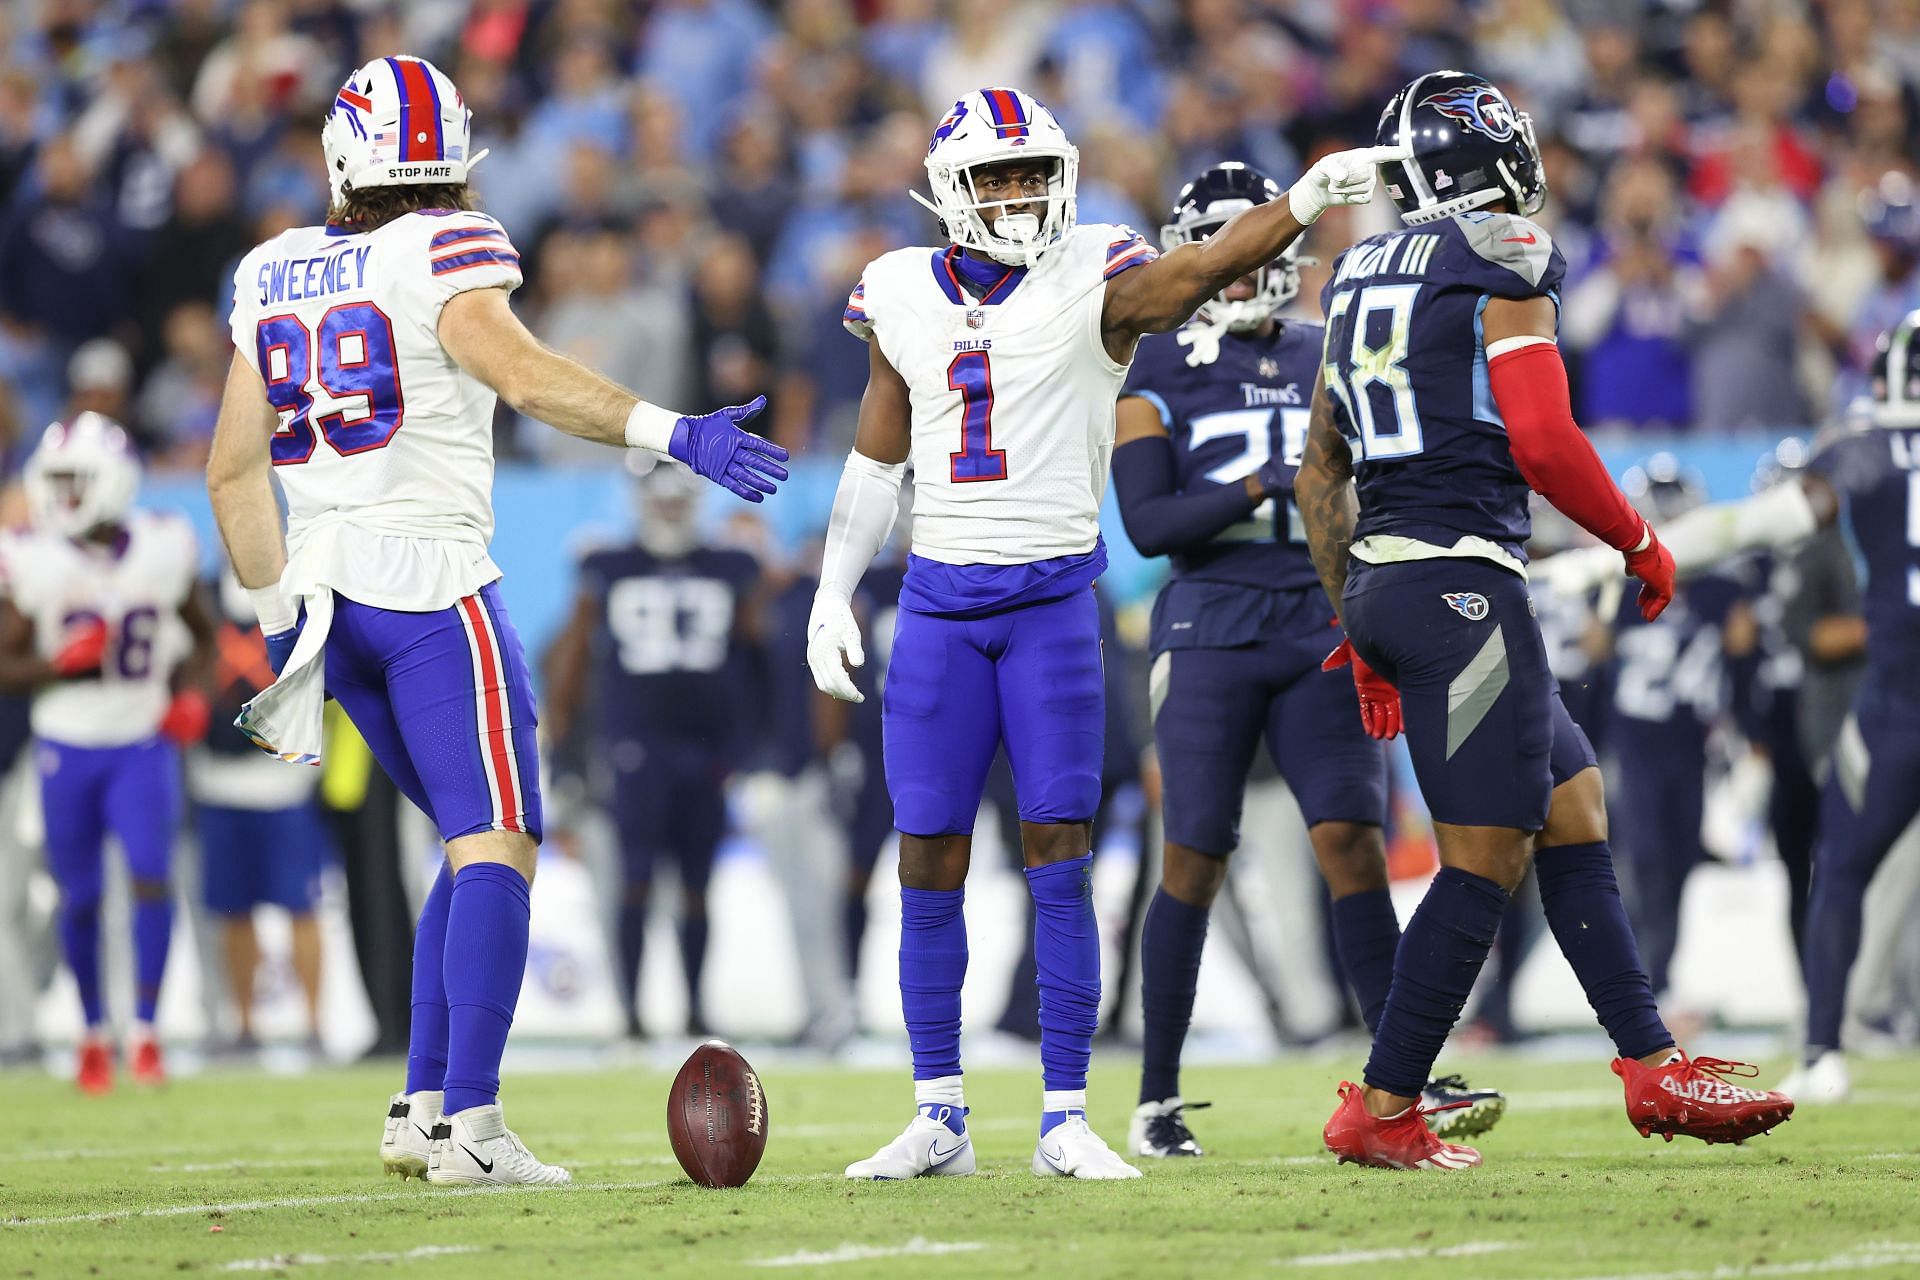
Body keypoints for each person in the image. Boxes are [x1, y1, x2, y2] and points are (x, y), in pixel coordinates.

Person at [207, 55, 787, 1188]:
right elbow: (521, 376)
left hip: (326, 596)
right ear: (451, 157)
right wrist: (677, 433)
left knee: (467, 845)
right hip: (428, 583)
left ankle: (423, 1105)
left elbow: (232, 472)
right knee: (502, 838)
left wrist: (281, 625)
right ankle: (471, 1122)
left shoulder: (271, 267)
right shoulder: (446, 245)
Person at [804, 84, 1401, 1180]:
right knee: (927, 849)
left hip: (1049, 604)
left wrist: (1304, 199)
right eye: (998, 175)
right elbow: (875, 456)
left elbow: (1195, 273)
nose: (1023, 192)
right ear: (950, 190)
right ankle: (939, 1108)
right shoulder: (896, 288)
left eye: (1036, 170)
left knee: (1059, 852)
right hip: (938, 601)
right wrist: (833, 589)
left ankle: (1066, 1113)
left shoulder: (1098, 271)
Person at [1293, 71, 1793, 1171]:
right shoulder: (1502, 252)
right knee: (1484, 856)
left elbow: (1318, 467)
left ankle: (1653, 1062)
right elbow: (1544, 439)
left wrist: (1357, 620)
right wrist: (1639, 540)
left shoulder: (1355, 269)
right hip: (1460, 582)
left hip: (1391, 578)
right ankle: (1381, 1102)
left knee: (1572, 801)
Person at [1110, 161, 1502, 1159]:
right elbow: (1151, 523)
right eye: (1228, 250)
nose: (1246, 270)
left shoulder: (1329, 347)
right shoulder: (1156, 361)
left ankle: (1395, 1078)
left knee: (1352, 841)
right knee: (1193, 852)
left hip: (1324, 615)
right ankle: (1156, 1097)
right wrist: (1260, 481)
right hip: (1210, 619)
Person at [1540, 307, 1920, 1104]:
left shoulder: (1862, 450)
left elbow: (1756, 524)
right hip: (1889, 691)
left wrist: (1632, 554)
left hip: (1898, 698)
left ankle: (1821, 1052)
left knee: (1842, 868)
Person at [0, 413, 214, 1093]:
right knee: (80, 895)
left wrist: (193, 695)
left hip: (141, 740)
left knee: (153, 874)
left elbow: (202, 639)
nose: (61, 495)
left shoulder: (163, 545)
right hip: (66, 741)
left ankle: (145, 1030)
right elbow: (4, 661)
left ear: (114, 482)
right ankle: (93, 1032)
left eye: (75, 480)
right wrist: (58, 667)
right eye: (54, 480)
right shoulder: (31, 555)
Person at [546, 462, 763, 1039]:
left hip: (706, 748)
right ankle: (632, 1014)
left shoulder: (732, 567)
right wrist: (565, 755)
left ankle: (694, 1009)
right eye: (658, 498)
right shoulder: (607, 566)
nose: (669, 508)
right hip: (635, 746)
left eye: (678, 498)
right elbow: (568, 664)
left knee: (696, 884)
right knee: (635, 878)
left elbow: (759, 658)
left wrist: (752, 750)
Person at [192, 567, 329, 1053]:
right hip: (218, 780)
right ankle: (244, 1024)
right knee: (234, 910)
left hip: (284, 783)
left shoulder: (299, 593)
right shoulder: (202, 594)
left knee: (302, 906)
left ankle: (314, 1025)